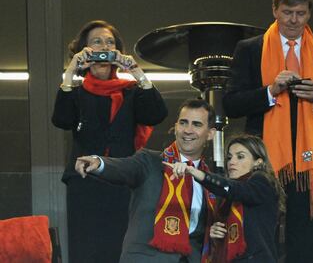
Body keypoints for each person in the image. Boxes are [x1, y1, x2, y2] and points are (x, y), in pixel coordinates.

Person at [222, 0, 313, 263]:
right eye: (287, 12)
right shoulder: (249, 49)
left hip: (311, 167)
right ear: (274, 10)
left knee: (306, 247)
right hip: (261, 163)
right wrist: (270, 91)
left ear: (309, 13)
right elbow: (231, 104)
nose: (294, 20)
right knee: (259, 241)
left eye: (301, 13)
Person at [51, 20, 168, 263]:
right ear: (84, 50)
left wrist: (136, 70)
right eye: (97, 42)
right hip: (85, 185)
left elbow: (157, 114)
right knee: (86, 249)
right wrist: (71, 71)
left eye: (110, 42)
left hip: (122, 185)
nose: (104, 46)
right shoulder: (77, 92)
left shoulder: (131, 91)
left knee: (121, 248)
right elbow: (61, 119)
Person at [74, 99, 216, 263]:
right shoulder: (149, 161)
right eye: (183, 123)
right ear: (176, 127)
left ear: (210, 134)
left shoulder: (210, 181)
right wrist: (99, 162)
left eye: (197, 124)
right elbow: (124, 168)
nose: (188, 130)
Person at [165, 134, 286, 262]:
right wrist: (214, 233)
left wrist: (197, 173)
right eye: (229, 157)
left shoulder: (262, 182)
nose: (232, 162)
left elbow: (235, 190)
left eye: (240, 156)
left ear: (258, 162)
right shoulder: (227, 196)